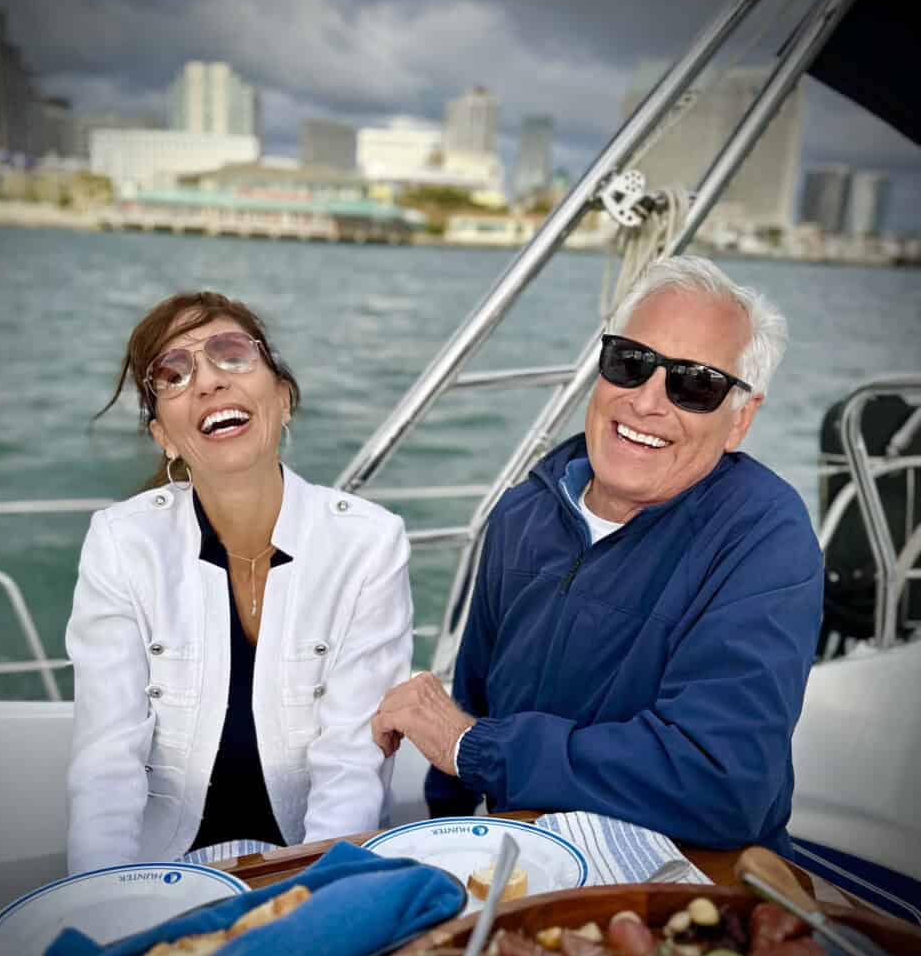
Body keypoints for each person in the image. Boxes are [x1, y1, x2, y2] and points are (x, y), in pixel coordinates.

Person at [371, 256, 823, 858]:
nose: (647, 401)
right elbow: (473, 706)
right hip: (520, 862)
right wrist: (439, 840)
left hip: (684, 880)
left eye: (694, 385)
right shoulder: (521, 515)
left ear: (740, 418)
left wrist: (477, 749)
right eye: (630, 363)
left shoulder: (763, 536)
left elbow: (724, 782)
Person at [66, 292, 412, 875]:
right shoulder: (121, 543)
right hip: (162, 867)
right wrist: (104, 899)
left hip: (308, 862)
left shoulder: (370, 543)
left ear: (283, 398)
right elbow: (108, 763)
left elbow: (352, 763)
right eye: (172, 374)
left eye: (231, 354)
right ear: (165, 438)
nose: (206, 381)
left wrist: (314, 900)